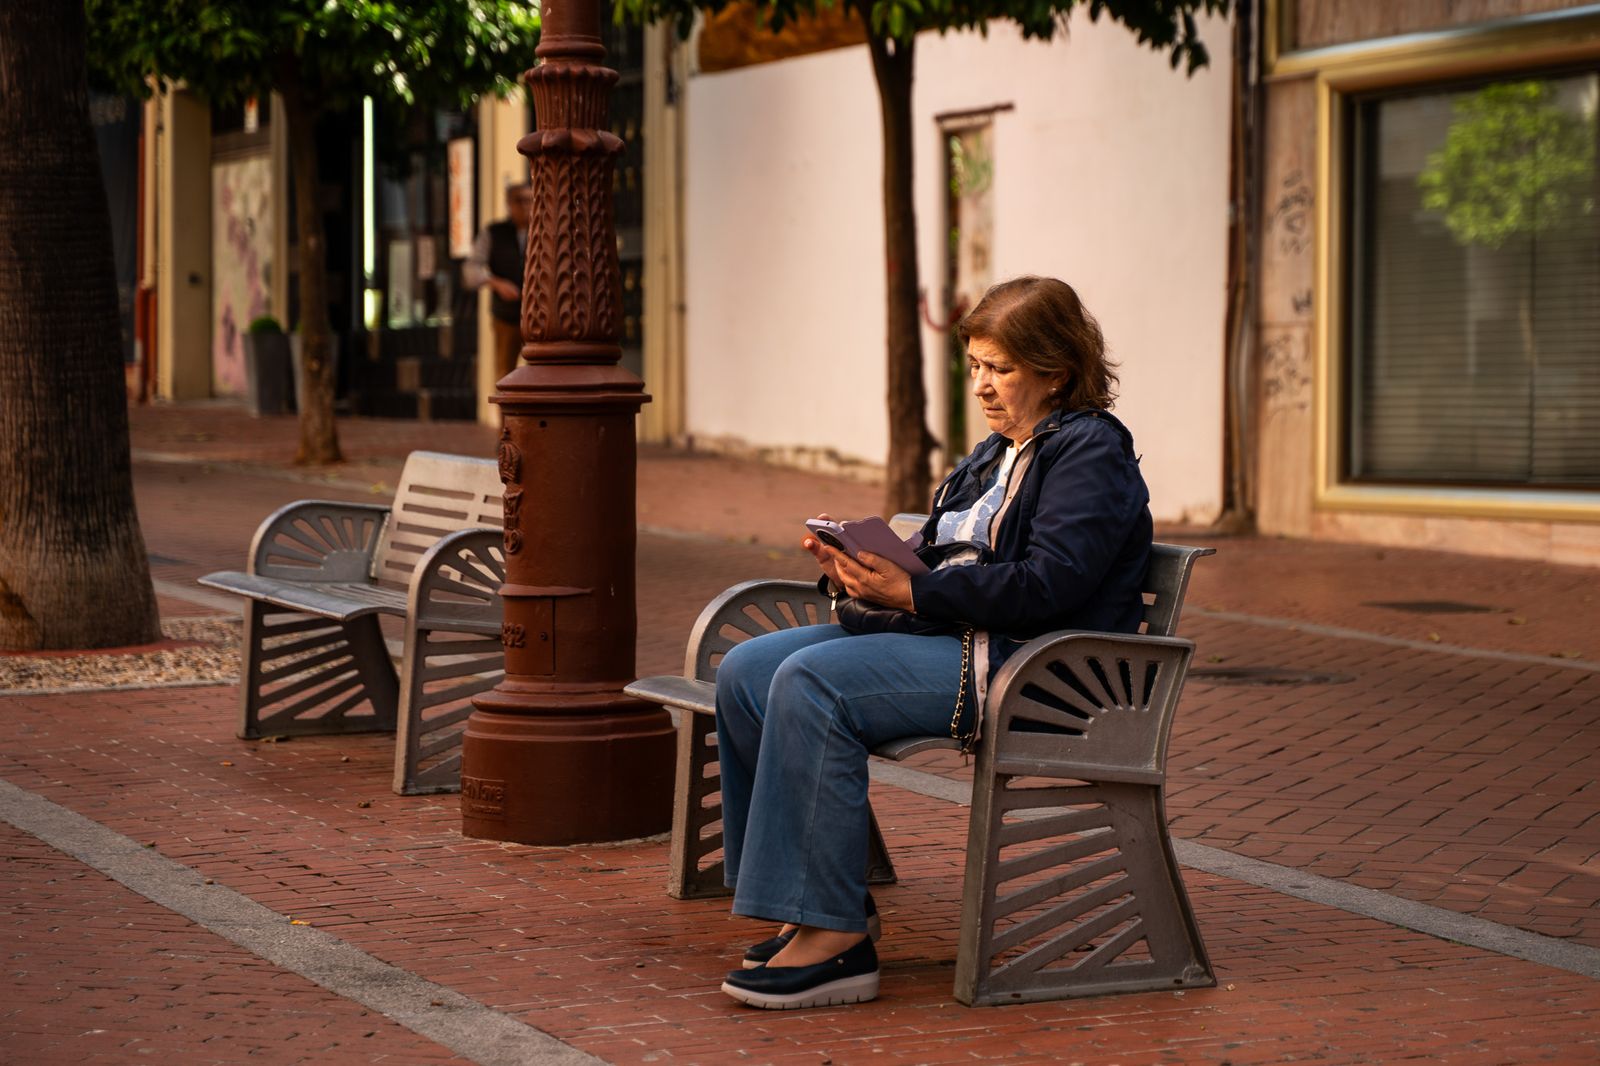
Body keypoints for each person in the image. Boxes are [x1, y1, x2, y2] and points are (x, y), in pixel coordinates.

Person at [713, 276, 1154, 1010]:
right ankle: (817, 902)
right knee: (749, 669)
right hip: (958, 637)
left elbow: (1049, 587)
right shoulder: (994, 453)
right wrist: (857, 571)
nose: (982, 385)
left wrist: (911, 593)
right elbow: (929, 553)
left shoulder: (1089, 453)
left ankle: (837, 942)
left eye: (1001, 369)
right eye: (976, 365)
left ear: (1057, 370)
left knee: (809, 683)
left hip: (1033, 668)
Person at [462, 182, 535, 381]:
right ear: (509, 204)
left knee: (540, 374)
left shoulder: (544, 231)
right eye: (519, 201)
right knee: (505, 374)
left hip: (539, 318)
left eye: (530, 200)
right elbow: (471, 270)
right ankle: (506, 414)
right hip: (506, 317)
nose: (525, 206)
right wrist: (496, 283)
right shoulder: (494, 233)